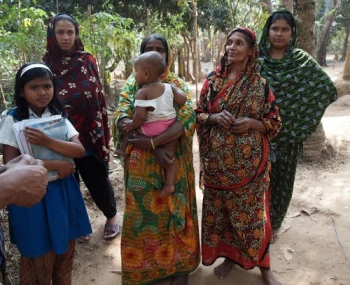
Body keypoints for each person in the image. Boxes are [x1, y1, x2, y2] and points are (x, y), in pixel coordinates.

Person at [195, 27, 282, 285]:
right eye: (229, 43)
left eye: (239, 43)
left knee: (254, 218)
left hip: (250, 168)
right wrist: (214, 117)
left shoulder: (260, 85)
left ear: (250, 50)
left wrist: (252, 123)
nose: (232, 47)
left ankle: (265, 267)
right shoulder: (213, 82)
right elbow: (197, 114)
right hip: (217, 168)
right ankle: (229, 258)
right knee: (222, 216)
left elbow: (275, 122)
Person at [112, 34, 200, 285]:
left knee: (176, 214)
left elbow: (187, 117)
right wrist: (151, 147)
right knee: (147, 217)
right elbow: (122, 116)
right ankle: (148, 269)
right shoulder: (133, 84)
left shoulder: (176, 83)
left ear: (167, 54)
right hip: (144, 165)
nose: (156, 52)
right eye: (149, 48)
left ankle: (179, 268)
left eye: (160, 49)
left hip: (173, 157)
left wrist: (155, 143)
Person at [0, 63, 92, 284]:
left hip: (62, 192)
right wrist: (55, 165)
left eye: (47, 86)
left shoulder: (58, 116)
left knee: (65, 248)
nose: (42, 92)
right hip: (30, 195)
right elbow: (11, 163)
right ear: (22, 91)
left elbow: (78, 150)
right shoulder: (13, 119)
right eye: (34, 87)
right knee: (37, 250)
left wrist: (46, 141)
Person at [259, 10, 338, 243]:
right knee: (255, 184)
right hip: (258, 135)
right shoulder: (256, 60)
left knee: (282, 184)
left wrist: (298, 124)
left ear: (292, 33)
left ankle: (273, 227)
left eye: (285, 29)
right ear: (268, 30)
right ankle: (255, 225)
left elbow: (326, 89)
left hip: (288, 139)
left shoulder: (301, 60)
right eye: (275, 28)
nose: (279, 34)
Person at [42, 13, 119, 241]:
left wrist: (103, 130)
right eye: (60, 32)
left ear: (76, 34)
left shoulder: (87, 60)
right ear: (52, 35)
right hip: (60, 134)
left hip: (89, 133)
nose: (65, 37)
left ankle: (112, 215)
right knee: (68, 179)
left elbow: (99, 96)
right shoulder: (45, 64)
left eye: (70, 32)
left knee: (96, 176)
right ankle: (79, 223)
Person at [117, 51, 187, 197]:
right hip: (169, 126)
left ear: (146, 74)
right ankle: (169, 184)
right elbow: (182, 100)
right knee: (170, 157)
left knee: (129, 130)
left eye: (136, 71)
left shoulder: (142, 92)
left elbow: (140, 116)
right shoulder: (170, 86)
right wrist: (175, 93)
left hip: (151, 129)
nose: (134, 74)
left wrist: (131, 124)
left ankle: (122, 149)